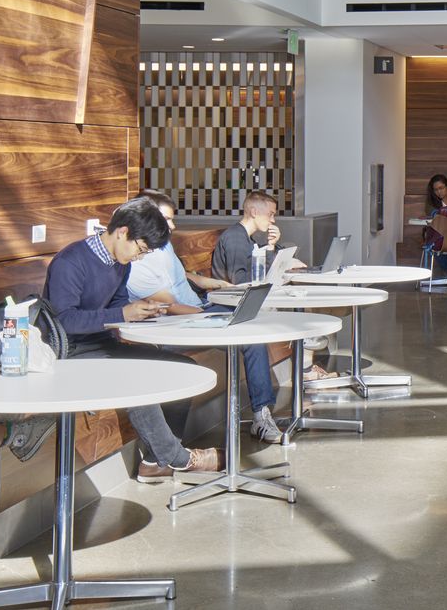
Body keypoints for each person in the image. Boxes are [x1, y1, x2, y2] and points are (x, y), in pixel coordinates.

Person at [43, 198, 220, 480]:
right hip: (71, 352)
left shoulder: (120, 262)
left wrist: (142, 312)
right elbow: (64, 321)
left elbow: (118, 304)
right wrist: (124, 313)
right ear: (122, 231)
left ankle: (155, 461)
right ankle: (177, 457)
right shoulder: (71, 261)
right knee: (137, 378)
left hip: (103, 345)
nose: (139, 258)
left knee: (183, 368)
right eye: (140, 249)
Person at [132, 191, 283, 444]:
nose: (172, 226)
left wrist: (214, 283)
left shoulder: (164, 245)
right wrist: (206, 315)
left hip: (199, 307)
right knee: (250, 332)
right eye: (166, 219)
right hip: (180, 321)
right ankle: (261, 415)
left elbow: (184, 276)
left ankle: (262, 412)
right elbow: (168, 306)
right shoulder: (139, 257)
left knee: (251, 322)